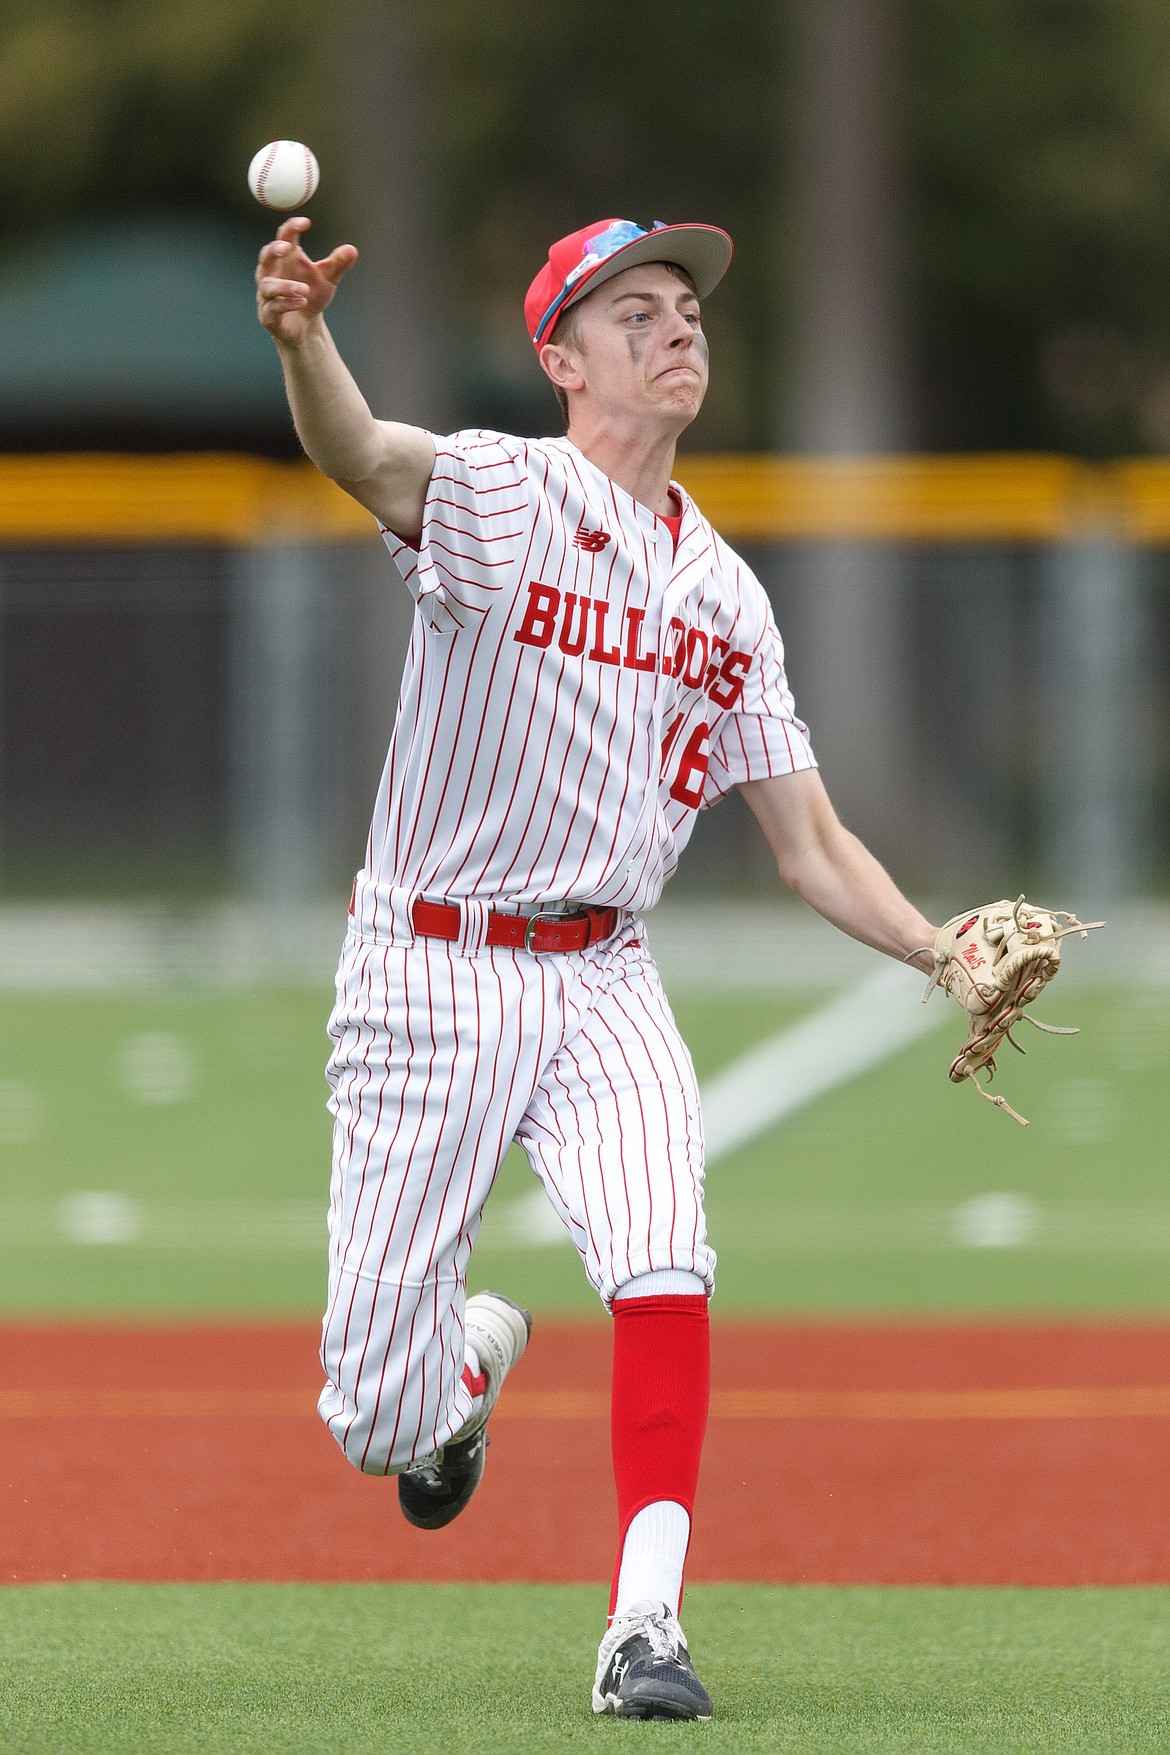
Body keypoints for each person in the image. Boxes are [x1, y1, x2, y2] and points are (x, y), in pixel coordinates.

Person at [255, 213, 938, 1722]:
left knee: (662, 1259)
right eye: (632, 310)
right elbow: (362, 454)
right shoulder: (505, 490)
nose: (676, 326)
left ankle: (645, 1627)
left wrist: (936, 949)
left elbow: (811, 841)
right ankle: (469, 1365)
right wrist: (306, 341)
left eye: (684, 306)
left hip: (603, 976)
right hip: (427, 974)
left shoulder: (728, 598)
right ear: (560, 358)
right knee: (376, 1419)